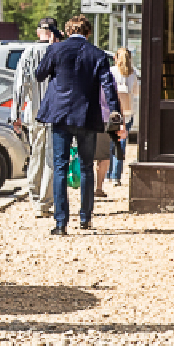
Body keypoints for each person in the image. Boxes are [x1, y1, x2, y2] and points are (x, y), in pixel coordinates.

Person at [35, 14, 117, 235]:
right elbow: (108, 85)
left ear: (67, 31)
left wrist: (51, 49)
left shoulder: (56, 50)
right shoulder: (98, 55)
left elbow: (39, 74)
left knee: (60, 167)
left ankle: (60, 223)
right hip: (87, 115)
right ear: (88, 33)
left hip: (60, 115)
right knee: (86, 167)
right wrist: (115, 109)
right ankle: (85, 218)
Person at [10, 17, 60, 216]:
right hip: (55, 113)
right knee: (50, 158)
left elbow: (19, 85)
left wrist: (16, 114)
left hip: (34, 112)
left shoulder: (28, 52)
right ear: (54, 32)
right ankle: (45, 202)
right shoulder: (58, 51)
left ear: (39, 32)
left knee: (36, 156)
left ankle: (35, 197)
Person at [109, 47, 139, 187]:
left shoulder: (111, 71)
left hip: (112, 113)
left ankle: (108, 173)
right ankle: (116, 176)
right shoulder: (133, 74)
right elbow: (136, 92)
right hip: (127, 113)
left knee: (110, 142)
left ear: (116, 58)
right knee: (120, 144)